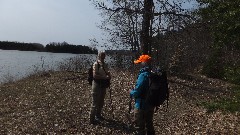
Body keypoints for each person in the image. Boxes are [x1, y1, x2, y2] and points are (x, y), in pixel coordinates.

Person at [130, 54, 155, 135]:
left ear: (144, 63)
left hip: (141, 105)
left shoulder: (143, 75)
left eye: (140, 63)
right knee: (149, 124)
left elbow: (137, 92)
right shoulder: (153, 73)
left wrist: (131, 92)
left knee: (140, 127)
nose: (139, 65)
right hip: (151, 104)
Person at [89, 51, 111, 124]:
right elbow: (95, 76)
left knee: (101, 102)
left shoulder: (105, 64)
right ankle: (91, 120)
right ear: (99, 56)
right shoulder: (96, 64)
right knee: (95, 102)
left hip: (103, 85)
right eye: (102, 55)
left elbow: (108, 73)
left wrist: (109, 76)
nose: (103, 56)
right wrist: (105, 77)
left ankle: (98, 115)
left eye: (104, 55)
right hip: (96, 85)